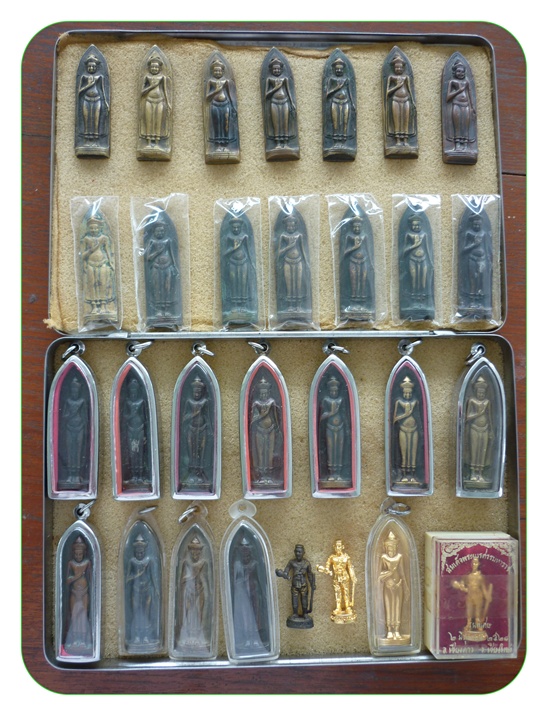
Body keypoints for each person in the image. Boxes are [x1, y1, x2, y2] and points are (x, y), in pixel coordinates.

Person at [232, 536, 267, 652]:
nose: (245, 557)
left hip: (254, 593)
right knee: (245, 616)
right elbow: (235, 581)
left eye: (247, 554)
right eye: (243, 554)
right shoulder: (237, 565)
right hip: (243, 595)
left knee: (256, 616)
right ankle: (247, 639)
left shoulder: (255, 563)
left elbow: (260, 580)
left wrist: (261, 595)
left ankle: (256, 639)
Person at [177, 535, 211, 650]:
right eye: (193, 552)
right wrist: (188, 583)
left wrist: (206, 592)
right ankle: (188, 635)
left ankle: (198, 635)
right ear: (190, 551)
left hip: (199, 590)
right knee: (188, 612)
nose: (195, 554)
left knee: (198, 611)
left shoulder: (204, 563)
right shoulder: (185, 563)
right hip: (188, 591)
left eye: (197, 552)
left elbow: (205, 580)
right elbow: (182, 580)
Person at [125, 534, 160, 648]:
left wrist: (156, 589)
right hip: (135, 591)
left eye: (141, 552)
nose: (139, 555)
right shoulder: (132, 561)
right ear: (135, 551)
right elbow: (127, 578)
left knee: (146, 613)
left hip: (147, 590)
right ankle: (136, 636)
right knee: (136, 613)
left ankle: (146, 636)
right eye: (138, 553)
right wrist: (138, 574)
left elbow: (153, 576)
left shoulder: (149, 561)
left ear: (144, 551)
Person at [80, 215, 116, 321]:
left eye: (96, 228)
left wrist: (111, 263)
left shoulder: (104, 238)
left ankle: (104, 306)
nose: (93, 230)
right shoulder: (86, 239)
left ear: (100, 228)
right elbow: (83, 255)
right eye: (91, 228)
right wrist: (91, 251)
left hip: (103, 263)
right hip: (90, 264)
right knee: (92, 285)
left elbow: (108, 251)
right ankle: (94, 307)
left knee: (104, 284)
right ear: (88, 228)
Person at [143, 220, 180, 323]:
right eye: (158, 231)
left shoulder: (168, 241)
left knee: (167, 287)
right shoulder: (152, 242)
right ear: (154, 232)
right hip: (156, 267)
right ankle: (158, 311)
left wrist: (175, 267)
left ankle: (167, 310)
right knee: (157, 288)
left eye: (162, 231)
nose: (160, 233)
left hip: (168, 267)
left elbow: (172, 255)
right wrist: (157, 252)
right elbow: (148, 258)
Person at [204, 56, 239, 159]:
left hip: (226, 104)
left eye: (219, 71)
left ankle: (225, 145)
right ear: (212, 72)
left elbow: (231, 95)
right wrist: (216, 90)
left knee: (226, 124)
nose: (217, 73)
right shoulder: (211, 82)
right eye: (215, 71)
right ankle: (218, 146)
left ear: (223, 71)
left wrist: (233, 107)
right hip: (215, 105)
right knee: (217, 124)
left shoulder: (226, 82)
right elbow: (207, 97)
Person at [276, 214, 310, 317]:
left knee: (298, 283)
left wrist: (307, 262)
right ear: (286, 226)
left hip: (298, 261)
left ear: (295, 226)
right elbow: (279, 253)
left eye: (292, 226)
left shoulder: (299, 235)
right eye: (288, 226)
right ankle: (290, 306)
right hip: (287, 261)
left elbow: (303, 250)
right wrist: (289, 247)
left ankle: (298, 306)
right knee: (289, 284)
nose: (290, 228)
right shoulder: (283, 236)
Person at [378, 531, 409, 642]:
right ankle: (389, 630)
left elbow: (402, 572)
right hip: (388, 585)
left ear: (396, 546)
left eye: (393, 546)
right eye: (389, 547)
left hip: (398, 585)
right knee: (388, 606)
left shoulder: (399, 557)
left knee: (397, 606)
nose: (391, 549)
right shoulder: (383, 557)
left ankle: (397, 630)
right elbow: (379, 574)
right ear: (386, 547)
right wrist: (388, 577)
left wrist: (404, 584)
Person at [452, 557, 493, 640]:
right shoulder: (468, 576)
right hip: (470, 596)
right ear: (471, 564)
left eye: (476, 563)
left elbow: (483, 588)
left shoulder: (480, 577)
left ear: (478, 564)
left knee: (478, 613)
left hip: (478, 597)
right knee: (469, 612)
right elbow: (463, 585)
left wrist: (487, 596)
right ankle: (468, 624)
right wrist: (461, 586)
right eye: (473, 563)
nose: (474, 564)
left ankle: (478, 625)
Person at [250, 377, 281, 486]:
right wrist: (262, 414)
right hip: (259, 430)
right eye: (262, 393)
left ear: (268, 392)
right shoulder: (256, 403)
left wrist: (277, 429)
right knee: (261, 453)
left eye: (265, 393)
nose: (264, 395)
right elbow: (253, 419)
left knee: (270, 452)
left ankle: (269, 476)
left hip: (271, 429)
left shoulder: (272, 402)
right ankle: (261, 476)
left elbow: (276, 417)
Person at [180, 376, 211, 487]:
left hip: (202, 429)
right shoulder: (189, 402)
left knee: (201, 452)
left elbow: (207, 417)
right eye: (195, 392)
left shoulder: (205, 402)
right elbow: (184, 418)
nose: (197, 394)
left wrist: (210, 430)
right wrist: (195, 413)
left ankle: (200, 473)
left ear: (202, 392)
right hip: (191, 429)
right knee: (191, 452)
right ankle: (191, 473)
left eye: (199, 392)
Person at [64, 536, 93, 654]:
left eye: (80, 554)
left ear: (84, 553)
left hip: (84, 593)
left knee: (83, 615)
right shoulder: (71, 563)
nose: (78, 556)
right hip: (74, 593)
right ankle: (75, 640)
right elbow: (67, 580)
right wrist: (76, 576)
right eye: (76, 554)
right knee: (75, 616)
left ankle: (84, 640)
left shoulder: (87, 563)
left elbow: (91, 579)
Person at [317, 539, 356, 622]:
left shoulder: (346, 557)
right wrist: (326, 570)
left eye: (339, 546)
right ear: (334, 547)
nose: (338, 548)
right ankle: (338, 607)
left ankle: (347, 607)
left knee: (346, 592)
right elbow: (327, 567)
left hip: (345, 577)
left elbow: (350, 567)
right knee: (337, 593)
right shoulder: (332, 558)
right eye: (337, 546)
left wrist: (353, 576)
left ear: (342, 547)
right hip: (336, 577)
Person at [276, 544, 315, 627]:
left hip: (304, 584)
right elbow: (286, 571)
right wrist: (284, 574)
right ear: (294, 552)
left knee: (304, 600)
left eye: (300, 552)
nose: (298, 553)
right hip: (295, 584)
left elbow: (309, 574)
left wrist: (312, 584)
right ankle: (295, 613)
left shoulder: (306, 563)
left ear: (303, 553)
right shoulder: (291, 562)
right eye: (296, 552)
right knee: (294, 600)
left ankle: (305, 613)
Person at [60, 377, 89, 488]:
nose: (74, 393)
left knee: (78, 451)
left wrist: (86, 430)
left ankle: (77, 474)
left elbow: (85, 418)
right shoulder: (68, 401)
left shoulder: (82, 402)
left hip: (80, 428)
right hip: (69, 428)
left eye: (76, 391)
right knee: (70, 451)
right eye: (73, 391)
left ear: (79, 391)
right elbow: (64, 416)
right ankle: (70, 475)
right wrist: (70, 414)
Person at [139, 53, 171, 149]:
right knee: (149, 121)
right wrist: (151, 86)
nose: (154, 69)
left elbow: (165, 91)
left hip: (160, 101)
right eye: (152, 67)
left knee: (158, 121)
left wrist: (168, 103)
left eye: (156, 67)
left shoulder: (162, 78)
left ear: (159, 68)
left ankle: (157, 143)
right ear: (149, 68)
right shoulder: (147, 77)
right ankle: (149, 143)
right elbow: (142, 92)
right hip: (149, 100)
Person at [464, 376, 493, 483]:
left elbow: (489, 417)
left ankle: (480, 474)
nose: (481, 395)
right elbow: (467, 417)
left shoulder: (487, 402)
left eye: (483, 393)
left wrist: (491, 430)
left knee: (482, 451)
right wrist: (478, 413)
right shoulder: (472, 401)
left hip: (485, 428)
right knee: (474, 450)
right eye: (479, 392)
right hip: (474, 428)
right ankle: (472, 473)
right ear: (476, 392)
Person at [392, 376, 421, 483]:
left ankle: (412, 476)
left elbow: (419, 418)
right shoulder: (399, 402)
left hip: (414, 429)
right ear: (403, 392)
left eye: (409, 393)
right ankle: (404, 475)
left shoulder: (415, 403)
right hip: (403, 429)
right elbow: (395, 419)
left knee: (413, 453)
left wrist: (421, 431)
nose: (408, 395)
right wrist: (406, 414)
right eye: (406, 393)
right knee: (404, 453)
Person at [385, 53, 416, 149]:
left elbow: (410, 90)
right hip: (395, 100)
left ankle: (406, 140)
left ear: (403, 67)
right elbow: (387, 93)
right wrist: (397, 86)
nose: (398, 69)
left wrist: (413, 101)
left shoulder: (406, 78)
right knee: (397, 120)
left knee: (405, 119)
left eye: (400, 67)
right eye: (396, 67)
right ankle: (398, 140)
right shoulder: (391, 78)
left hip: (406, 100)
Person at [320, 376, 347, 482]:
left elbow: (344, 414)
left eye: (335, 391)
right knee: (331, 450)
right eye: (332, 391)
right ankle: (332, 473)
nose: (334, 393)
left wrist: (347, 428)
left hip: (340, 427)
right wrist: (331, 413)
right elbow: (321, 416)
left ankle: (338, 474)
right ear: (329, 390)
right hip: (330, 427)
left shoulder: (341, 400)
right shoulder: (326, 400)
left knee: (339, 450)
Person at [325, 56, 356, 148]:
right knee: (336, 122)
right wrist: (337, 88)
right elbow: (327, 94)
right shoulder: (331, 79)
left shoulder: (347, 79)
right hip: (335, 102)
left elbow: (350, 92)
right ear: (334, 70)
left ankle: (344, 143)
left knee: (344, 122)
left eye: (340, 69)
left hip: (345, 102)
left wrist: (353, 103)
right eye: (337, 69)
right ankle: (336, 142)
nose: (339, 71)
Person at [446, 60, 476, 153]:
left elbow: (470, 94)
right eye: (458, 71)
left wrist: (472, 106)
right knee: (457, 125)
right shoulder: (452, 82)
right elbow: (448, 97)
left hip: (466, 105)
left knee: (465, 125)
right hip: (456, 104)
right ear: (454, 72)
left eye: (462, 72)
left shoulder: (466, 82)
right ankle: (457, 145)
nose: (460, 73)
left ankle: (466, 145)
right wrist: (459, 91)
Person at [77, 53, 109, 142]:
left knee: (96, 119)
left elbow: (103, 91)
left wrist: (106, 102)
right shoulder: (84, 77)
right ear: (87, 67)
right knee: (87, 119)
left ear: (96, 67)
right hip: (86, 100)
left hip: (97, 100)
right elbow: (79, 92)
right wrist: (89, 85)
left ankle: (96, 140)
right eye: (89, 66)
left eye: (93, 66)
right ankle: (86, 140)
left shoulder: (100, 77)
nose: (91, 68)